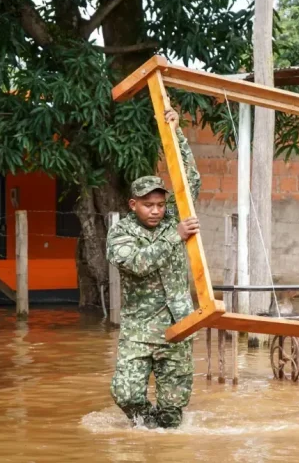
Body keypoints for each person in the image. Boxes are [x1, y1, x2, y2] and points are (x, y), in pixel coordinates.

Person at [106, 107, 201, 428]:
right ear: (133, 205)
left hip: (177, 325)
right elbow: (137, 264)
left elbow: (190, 180)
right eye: (148, 205)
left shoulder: (174, 218)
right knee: (125, 393)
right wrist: (175, 237)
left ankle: (163, 441)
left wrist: (176, 133)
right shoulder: (121, 232)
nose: (157, 211)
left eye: (160, 204)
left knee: (173, 408)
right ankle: (146, 429)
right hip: (139, 327)